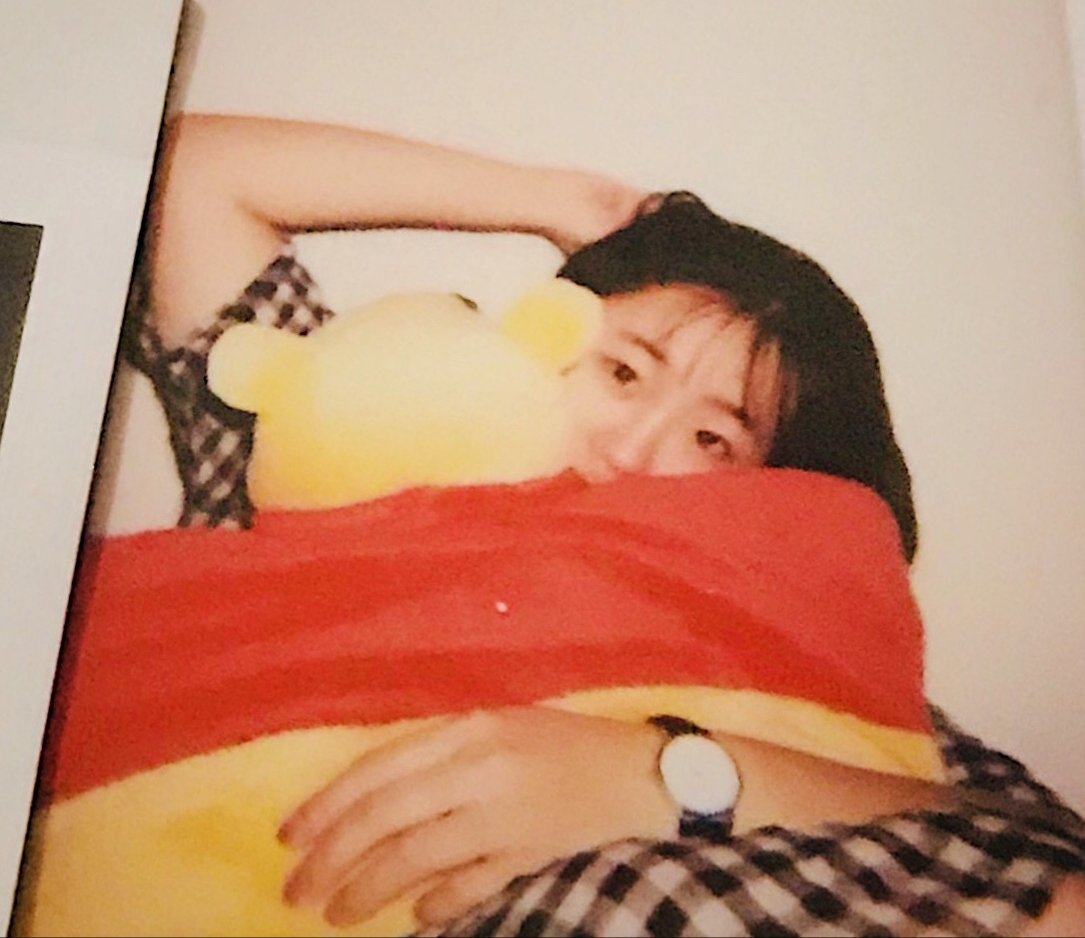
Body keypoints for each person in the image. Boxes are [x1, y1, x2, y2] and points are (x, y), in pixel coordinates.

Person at [130, 113, 1085, 936]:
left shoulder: (766, 655)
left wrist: (674, 776)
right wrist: (560, 202)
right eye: (622, 371)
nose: (632, 448)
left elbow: (1044, 862)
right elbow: (190, 174)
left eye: (712, 439)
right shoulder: (335, 463)